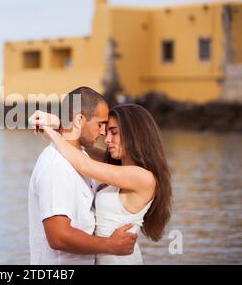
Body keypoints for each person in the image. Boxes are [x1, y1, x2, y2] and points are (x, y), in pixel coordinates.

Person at [30, 102, 172, 264]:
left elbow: (84, 164)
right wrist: (60, 124)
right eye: (106, 133)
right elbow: (82, 145)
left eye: (114, 132)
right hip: (106, 256)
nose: (107, 140)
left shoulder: (143, 177)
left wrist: (50, 132)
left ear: (135, 134)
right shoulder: (120, 168)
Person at [28, 87, 137, 265]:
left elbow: (121, 161)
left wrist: (58, 124)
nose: (103, 132)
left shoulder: (81, 156)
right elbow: (59, 236)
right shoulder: (57, 166)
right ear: (79, 119)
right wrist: (110, 245)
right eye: (100, 124)